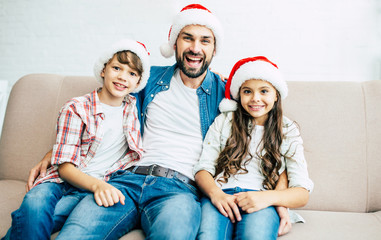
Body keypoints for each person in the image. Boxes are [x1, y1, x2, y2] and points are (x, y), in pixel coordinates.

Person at [25, 4, 292, 239]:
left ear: (214, 49)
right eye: (187, 38)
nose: (195, 48)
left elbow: (270, 141)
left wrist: (280, 202)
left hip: (179, 190)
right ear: (174, 43)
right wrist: (56, 151)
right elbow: (105, 110)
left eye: (205, 41)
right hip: (124, 181)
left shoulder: (229, 93)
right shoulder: (146, 78)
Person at [2, 38, 151, 240]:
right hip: (63, 180)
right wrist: (97, 185)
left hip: (93, 188)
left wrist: (99, 185)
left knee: (28, 222)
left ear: (138, 82)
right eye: (117, 68)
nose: (123, 77)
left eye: (132, 73)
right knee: (34, 204)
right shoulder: (77, 107)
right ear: (103, 70)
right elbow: (65, 168)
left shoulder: (133, 107)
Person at [193, 56, 314, 240]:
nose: (255, 98)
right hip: (221, 195)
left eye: (264, 91)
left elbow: (302, 193)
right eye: (247, 91)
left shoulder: (288, 130)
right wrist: (217, 195)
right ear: (239, 94)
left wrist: (267, 198)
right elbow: (203, 170)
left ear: (276, 95)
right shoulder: (224, 121)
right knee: (208, 235)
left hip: (261, 199)